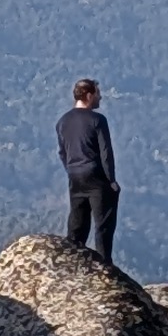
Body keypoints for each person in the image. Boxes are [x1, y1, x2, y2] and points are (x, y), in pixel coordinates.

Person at [58, 80, 121, 263]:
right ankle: (105, 265)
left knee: (77, 222)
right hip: (96, 176)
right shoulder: (97, 120)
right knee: (103, 224)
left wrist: (71, 169)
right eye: (98, 94)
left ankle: (72, 263)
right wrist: (111, 181)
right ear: (89, 95)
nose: (100, 97)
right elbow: (106, 152)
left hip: (75, 175)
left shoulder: (63, 121)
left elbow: (62, 151)